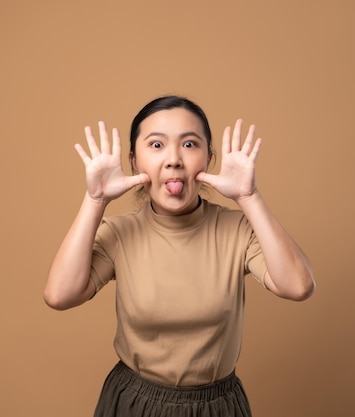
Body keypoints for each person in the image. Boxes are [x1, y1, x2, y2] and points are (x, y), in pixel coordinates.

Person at [44, 95, 315, 417]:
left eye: (189, 144)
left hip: (217, 406)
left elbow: (298, 287)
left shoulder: (237, 228)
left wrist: (249, 197)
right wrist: (95, 200)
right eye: (156, 145)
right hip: (134, 403)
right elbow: (60, 296)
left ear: (209, 158)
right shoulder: (119, 232)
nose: (173, 159)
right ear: (134, 161)